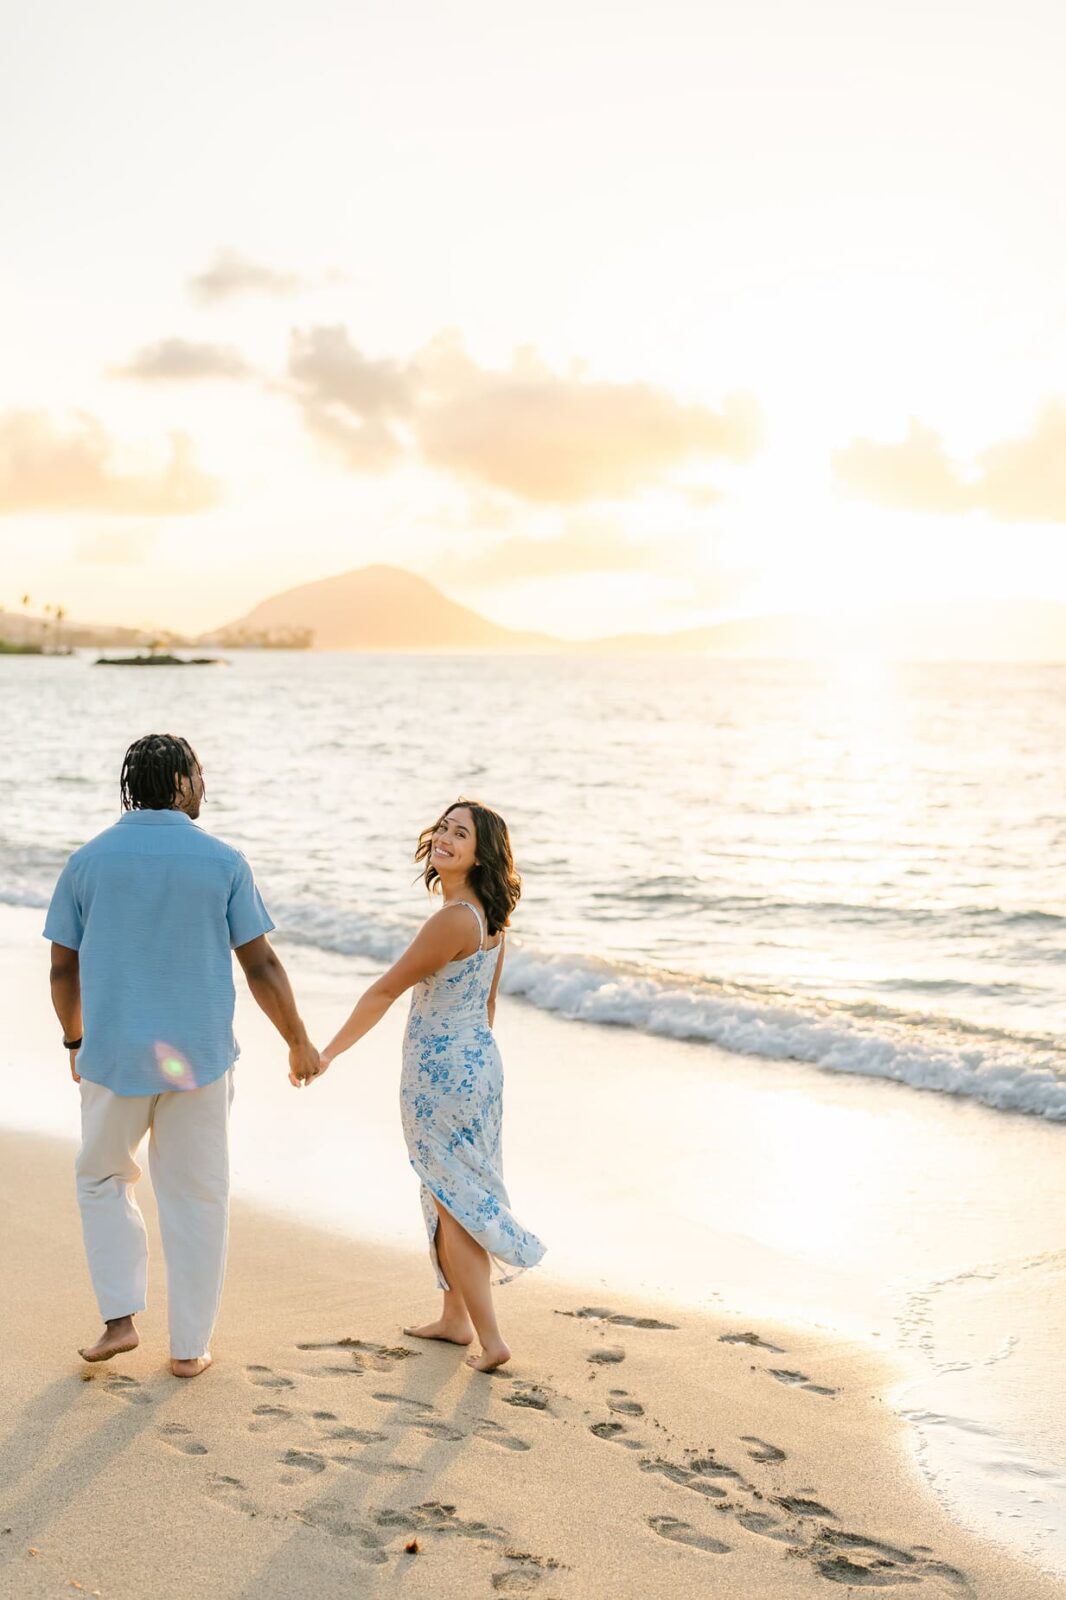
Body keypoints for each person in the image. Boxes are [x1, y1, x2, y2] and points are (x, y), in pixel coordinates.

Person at [45, 733, 319, 1378]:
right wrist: (298, 1039)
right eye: (199, 773)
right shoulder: (222, 861)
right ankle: (189, 1350)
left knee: (102, 1177)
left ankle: (120, 1319)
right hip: (198, 1059)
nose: (205, 784)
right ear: (179, 783)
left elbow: (62, 969)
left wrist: (74, 1040)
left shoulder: (87, 862)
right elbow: (261, 963)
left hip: (112, 1058)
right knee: (197, 1197)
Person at [309, 799, 544, 1371]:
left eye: (460, 833)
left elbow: (386, 991)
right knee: (446, 1190)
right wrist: (468, 1066)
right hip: (479, 1067)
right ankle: (454, 1319)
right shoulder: (490, 917)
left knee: (453, 1197)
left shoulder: (452, 920)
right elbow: (485, 1008)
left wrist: (328, 1052)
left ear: (480, 852)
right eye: (442, 826)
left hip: (440, 1077)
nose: (444, 837)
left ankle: (492, 1340)